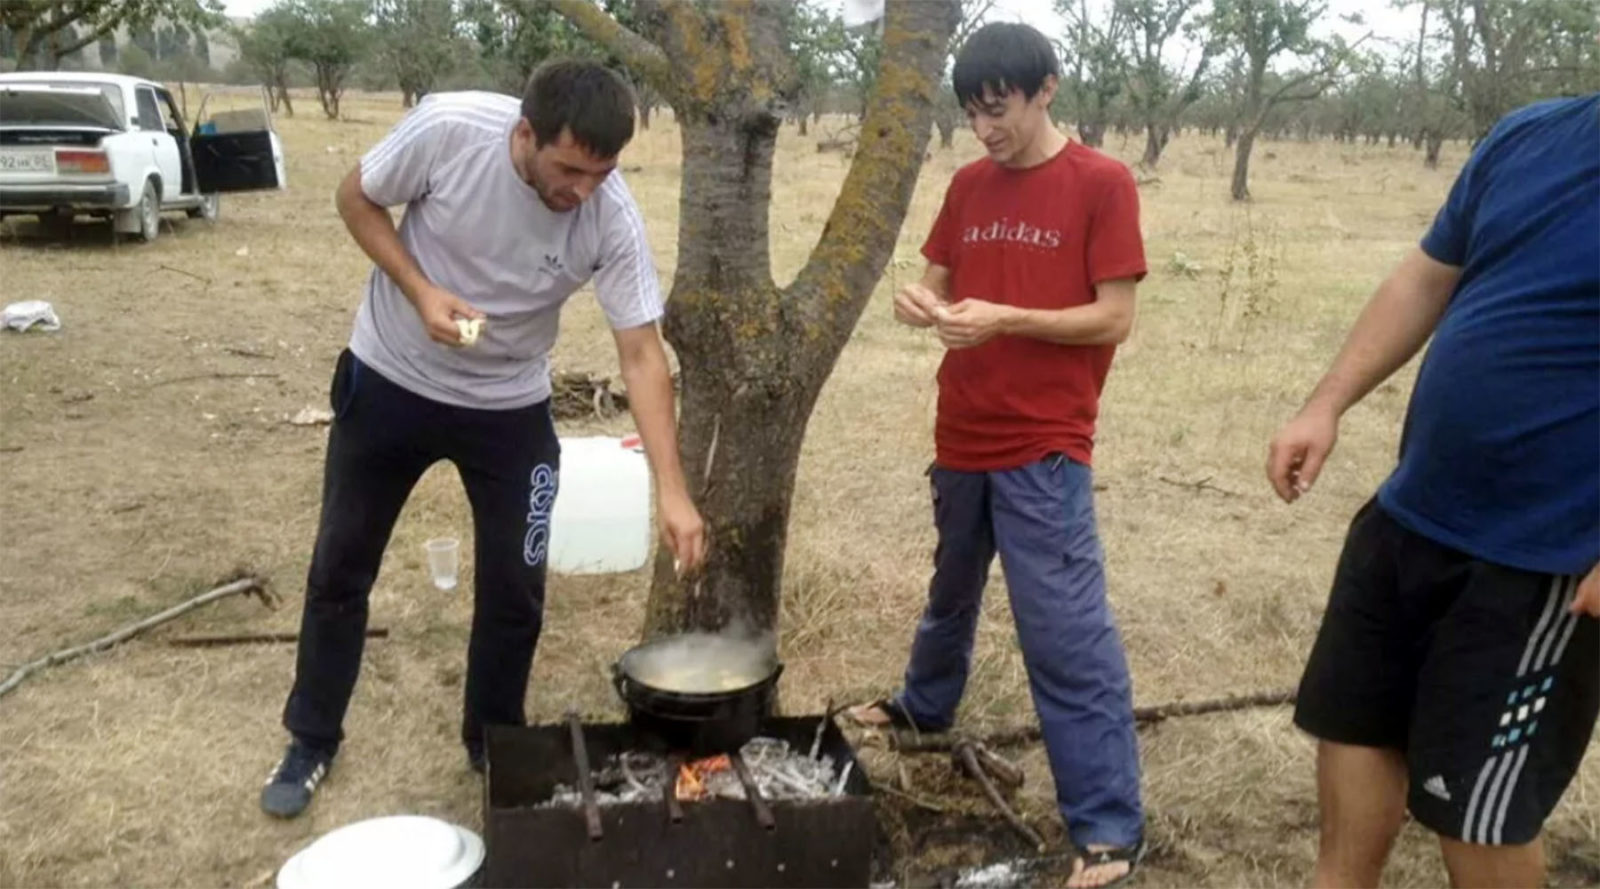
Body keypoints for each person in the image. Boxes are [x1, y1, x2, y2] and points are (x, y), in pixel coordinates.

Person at [258, 59, 707, 819]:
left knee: (516, 589)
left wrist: (672, 488)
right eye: (568, 169)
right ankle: (310, 738)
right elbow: (355, 197)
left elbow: (640, 353)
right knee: (341, 567)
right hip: (391, 378)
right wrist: (420, 287)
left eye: (602, 173)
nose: (582, 191)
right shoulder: (449, 131)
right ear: (524, 133)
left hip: (509, 406)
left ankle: (491, 738)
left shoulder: (610, 215)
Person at [1267, 93, 1598, 889]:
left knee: (1479, 818)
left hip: (1543, 557)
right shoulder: (1530, 133)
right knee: (1354, 731)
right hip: (1413, 510)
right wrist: (1327, 400)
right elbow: (1425, 277)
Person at [847, 22, 1147, 889]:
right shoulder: (969, 185)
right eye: (974, 113)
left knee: (1064, 631)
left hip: (1044, 442)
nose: (987, 129)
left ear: (1045, 88)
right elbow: (936, 284)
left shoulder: (1102, 182)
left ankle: (1108, 826)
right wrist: (920, 302)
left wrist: (1007, 318)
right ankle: (924, 705)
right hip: (963, 428)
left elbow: (1113, 316)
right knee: (951, 587)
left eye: (1000, 109)